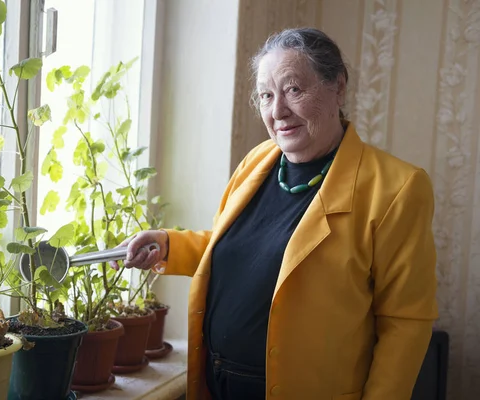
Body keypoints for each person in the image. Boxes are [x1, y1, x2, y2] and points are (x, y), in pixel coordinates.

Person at [111, 27, 438, 400]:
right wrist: (170, 245)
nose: (278, 111)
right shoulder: (258, 161)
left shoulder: (397, 187)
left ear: (338, 87)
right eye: (267, 95)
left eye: (294, 90)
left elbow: (406, 323)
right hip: (217, 386)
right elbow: (246, 250)